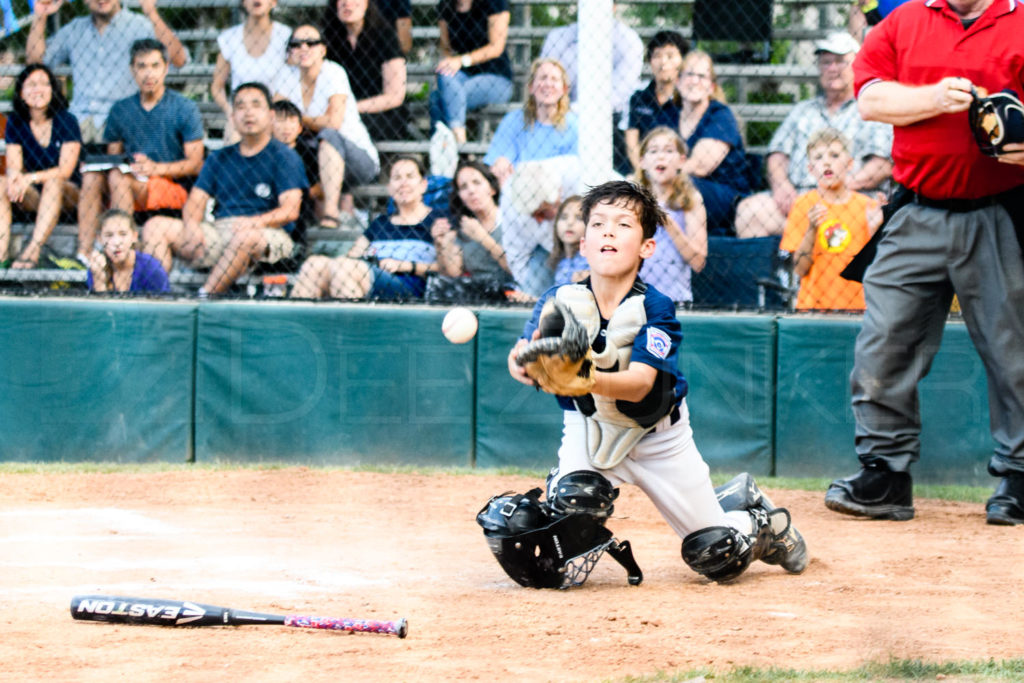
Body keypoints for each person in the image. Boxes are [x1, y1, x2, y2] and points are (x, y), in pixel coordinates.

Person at [503, 180, 808, 584]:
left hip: (658, 437)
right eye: (598, 223)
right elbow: (525, 352)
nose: (608, 231)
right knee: (575, 500)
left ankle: (754, 517)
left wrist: (584, 376)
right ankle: (574, 491)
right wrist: (524, 365)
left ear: (647, 246)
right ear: (583, 243)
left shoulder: (655, 306)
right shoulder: (558, 300)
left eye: (623, 224)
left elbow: (640, 384)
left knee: (718, 556)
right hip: (589, 427)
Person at [823, 0, 1024, 526]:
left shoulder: (1020, 21)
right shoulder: (904, 20)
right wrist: (933, 98)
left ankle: (1021, 476)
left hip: (1000, 211)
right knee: (884, 341)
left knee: (1015, 350)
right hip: (916, 209)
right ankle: (885, 474)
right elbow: (870, 99)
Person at [142, 83, 307, 296]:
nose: (248, 112)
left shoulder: (284, 156)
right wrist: (192, 226)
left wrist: (255, 222)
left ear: (270, 115)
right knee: (155, 227)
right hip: (220, 230)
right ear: (232, 116)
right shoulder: (218, 158)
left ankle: (203, 297)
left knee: (245, 238)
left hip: (268, 233)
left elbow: (290, 210)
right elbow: (195, 201)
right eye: (240, 106)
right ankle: (157, 299)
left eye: (256, 105)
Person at [734, 31, 893, 238]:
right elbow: (777, 155)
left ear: (857, 65)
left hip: (852, 198)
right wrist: (782, 187)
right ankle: (778, 270)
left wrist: (836, 189)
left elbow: (881, 166)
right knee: (750, 212)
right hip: (800, 199)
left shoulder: (870, 109)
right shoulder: (802, 110)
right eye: (826, 62)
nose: (832, 69)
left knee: (875, 216)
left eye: (840, 62)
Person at [80, 39, 205, 265]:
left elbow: (195, 163)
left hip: (171, 184)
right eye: (142, 66)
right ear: (132, 70)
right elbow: (113, 157)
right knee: (92, 176)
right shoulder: (120, 109)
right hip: (130, 180)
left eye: (155, 66)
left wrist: (156, 168)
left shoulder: (185, 107)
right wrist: (96, 166)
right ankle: (85, 253)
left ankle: (125, 252)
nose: (149, 73)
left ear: (166, 68)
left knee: (118, 177)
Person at [26, 0, 187, 145]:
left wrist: (151, 12)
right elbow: (35, 64)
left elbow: (178, 59)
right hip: (79, 121)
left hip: (124, 121)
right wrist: (40, 15)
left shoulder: (139, 25)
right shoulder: (75, 29)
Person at [272, 24, 380, 228]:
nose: (303, 48)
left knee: (328, 135)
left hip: (356, 158)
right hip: (314, 156)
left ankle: (331, 212)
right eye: (296, 44)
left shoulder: (333, 72)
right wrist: (302, 121)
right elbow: (275, 118)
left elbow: (333, 122)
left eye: (311, 43)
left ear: (323, 50)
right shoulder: (287, 77)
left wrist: (297, 119)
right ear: (290, 51)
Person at [291, 155, 441, 300]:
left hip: (408, 285)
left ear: (423, 184)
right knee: (314, 264)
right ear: (389, 188)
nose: (403, 183)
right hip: (367, 276)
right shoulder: (380, 223)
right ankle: (295, 325)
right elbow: (354, 254)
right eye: (397, 178)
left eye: (410, 176)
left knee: (345, 268)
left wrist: (407, 266)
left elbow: (452, 268)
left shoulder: (436, 221)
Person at [779, 128, 882, 311]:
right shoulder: (803, 205)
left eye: (834, 155)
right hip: (812, 308)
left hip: (860, 308)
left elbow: (880, 267)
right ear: (810, 169)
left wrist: (876, 230)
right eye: (818, 158)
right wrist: (811, 228)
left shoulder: (868, 207)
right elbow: (800, 269)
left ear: (849, 164)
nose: (826, 161)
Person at [539, 4, 643, 175]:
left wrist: (578, 111)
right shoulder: (558, 37)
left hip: (611, 119)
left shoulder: (630, 41)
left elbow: (620, 93)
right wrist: (568, 111)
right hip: (562, 114)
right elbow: (546, 77)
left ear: (613, 6)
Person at [0, 64, 81, 269]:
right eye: (32, 85)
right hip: (36, 195)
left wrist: (29, 178)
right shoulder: (16, 122)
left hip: (69, 193)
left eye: (45, 84)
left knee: (54, 181)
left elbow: (65, 170)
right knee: (1, 182)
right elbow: (14, 166)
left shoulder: (67, 120)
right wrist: (16, 179)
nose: (39, 89)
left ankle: (32, 250)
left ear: (53, 90)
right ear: (21, 93)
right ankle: (1, 256)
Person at [676, 50, 752, 237]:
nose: (694, 81)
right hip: (679, 184)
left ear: (711, 87)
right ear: (678, 82)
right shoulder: (669, 115)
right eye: (689, 74)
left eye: (701, 76)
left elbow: (700, 166)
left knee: (678, 184)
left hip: (724, 196)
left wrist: (658, 175)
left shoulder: (720, 116)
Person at [635, 126, 707, 303]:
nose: (661, 156)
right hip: (633, 299)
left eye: (669, 151)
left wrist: (668, 222)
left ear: (681, 160)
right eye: (653, 151)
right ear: (642, 161)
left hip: (674, 300)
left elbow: (698, 262)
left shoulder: (690, 200)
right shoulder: (632, 200)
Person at [428, 0, 513, 147]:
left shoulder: (496, 3)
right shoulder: (445, 5)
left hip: (496, 78)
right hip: (461, 77)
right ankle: (459, 144)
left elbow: (496, 47)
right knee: (445, 74)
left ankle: (453, 150)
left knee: (438, 99)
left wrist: (462, 60)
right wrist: (449, 62)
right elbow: (446, 49)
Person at [322, 0, 409, 142]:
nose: (347, 4)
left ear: (367, 3)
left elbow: (395, 96)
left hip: (380, 114)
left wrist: (351, 108)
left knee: (344, 128)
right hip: (339, 112)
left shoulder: (385, 36)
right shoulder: (327, 40)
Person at [483, 58, 577, 186]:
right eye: (543, 78)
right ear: (531, 87)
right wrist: (500, 162)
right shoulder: (514, 120)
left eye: (554, 79)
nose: (548, 84)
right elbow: (499, 156)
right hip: (519, 190)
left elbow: (573, 168)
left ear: (564, 89)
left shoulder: (574, 124)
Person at [211, 0, 292, 144]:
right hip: (242, 112)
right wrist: (231, 110)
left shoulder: (285, 36)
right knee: (233, 135)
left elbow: (292, 80)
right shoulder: (229, 38)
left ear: (273, 2)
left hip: (275, 112)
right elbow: (217, 86)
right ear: (243, 3)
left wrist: (268, 112)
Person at [430, 159, 513, 299]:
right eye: (463, 187)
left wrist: (482, 238)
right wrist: (441, 245)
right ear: (460, 197)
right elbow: (453, 273)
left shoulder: (511, 220)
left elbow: (516, 269)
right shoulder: (464, 228)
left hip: (510, 289)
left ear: (492, 189)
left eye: (477, 183)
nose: (471, 190)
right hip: (476, 293)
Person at [625, 30, 689, 173]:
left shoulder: (688, 100)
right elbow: (632, 144)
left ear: (682, 60)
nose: (663, 62)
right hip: (643, 169)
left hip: (679, 171)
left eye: (670, 56)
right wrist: (644, 173)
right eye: (657, 56)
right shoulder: (638, 98)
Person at [87, 208, 169, 293]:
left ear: (134, 236)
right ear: (100, 239)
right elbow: (100, 306)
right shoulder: (96, 267)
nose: (116, 242)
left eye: (123, 234)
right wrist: (99, 281)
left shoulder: (151, 268)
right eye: (109, 235)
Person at [548, 194, 587, 286]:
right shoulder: (561, 262)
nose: (569, 223)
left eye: (578, 218)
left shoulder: (589, 262)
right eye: (564, 217)